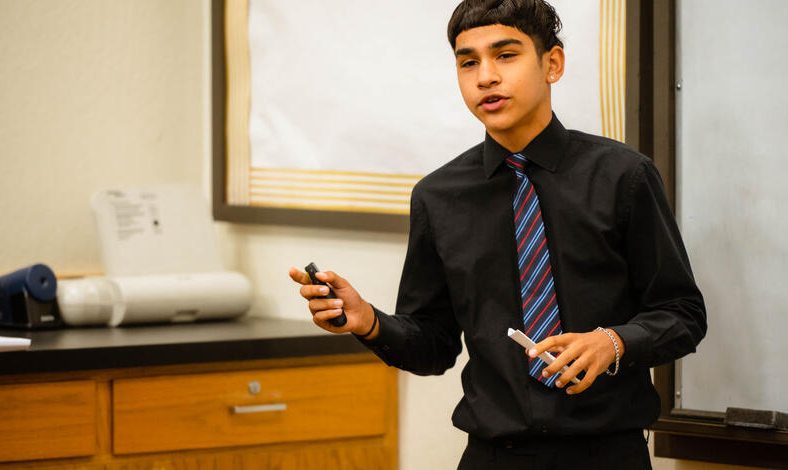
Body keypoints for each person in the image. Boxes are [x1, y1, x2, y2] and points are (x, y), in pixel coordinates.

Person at [289, 0, 707, 468]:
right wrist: (368, 321)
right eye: (468, 63)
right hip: (492, 456)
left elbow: (683, 314)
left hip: (608, 453)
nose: (485, 77)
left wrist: (613, 342)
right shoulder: (438, 196)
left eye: (505, 55)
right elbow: (433, 345)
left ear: (553, 63)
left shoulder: (623, 177)